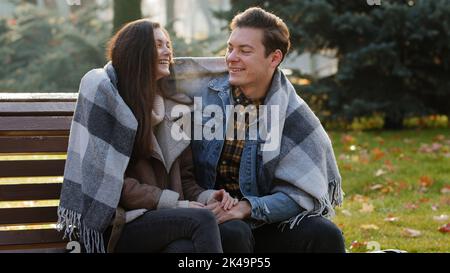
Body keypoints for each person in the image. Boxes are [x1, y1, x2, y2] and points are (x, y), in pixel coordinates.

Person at [56, 19, 236, 253]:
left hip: (167, 218)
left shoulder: (174, 108)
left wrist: (208, 197)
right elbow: (112, 185)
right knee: (201, 221)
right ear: (137, 51)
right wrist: (176, 205)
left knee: (230, 233)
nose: (167, 51)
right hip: (122, 223)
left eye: (168, 44)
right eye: (158, 45)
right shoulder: (109, 98)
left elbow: (186, 179)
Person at [176, 7, 346, 253]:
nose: (232, 57)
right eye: (230, 48)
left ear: (274, 58)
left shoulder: (294, 115)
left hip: (265, 218)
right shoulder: (203, 94)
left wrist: (247, 208)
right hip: (210, 213)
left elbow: (300, 195)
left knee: (324, 233)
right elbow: (153, 72)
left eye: (244, 51)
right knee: (234, 232)